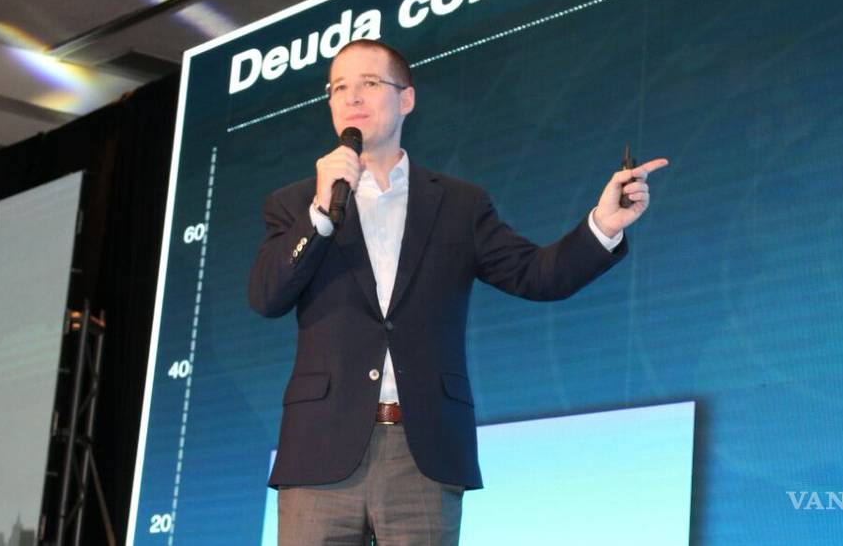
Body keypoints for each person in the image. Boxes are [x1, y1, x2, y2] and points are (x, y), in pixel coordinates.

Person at [248, 39, 668, 545]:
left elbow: (537, 275)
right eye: (339, 87)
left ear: (406, 99)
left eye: (369, 83)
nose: (351, 97)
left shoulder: (458, 204)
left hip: (423, 452)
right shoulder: (295, 203)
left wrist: (603, 224)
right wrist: (319, 214)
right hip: (320, 450)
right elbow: (267, 295)